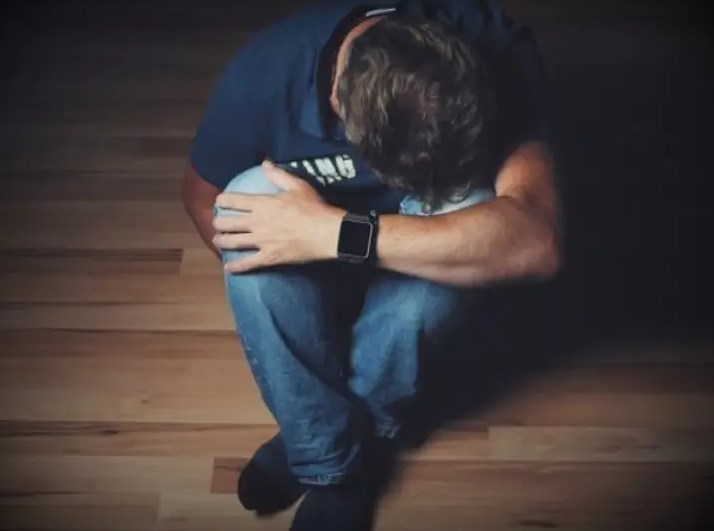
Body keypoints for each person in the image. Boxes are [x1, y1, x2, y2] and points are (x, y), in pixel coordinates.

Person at [181, 0, 561, 529]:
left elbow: (536, 243)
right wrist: (298, 296)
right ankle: (327, 447)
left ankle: (341, 448)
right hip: (315, 246)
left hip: (388, 252)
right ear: (337, 102)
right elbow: (202, 198)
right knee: (245, 201)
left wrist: (334, 235)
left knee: (477, 208)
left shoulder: (500, 49)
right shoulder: (264, 74)